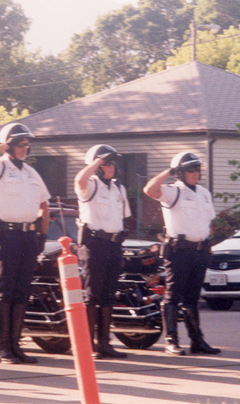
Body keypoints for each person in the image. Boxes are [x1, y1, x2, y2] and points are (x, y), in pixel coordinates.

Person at [0, 123, 50, 364]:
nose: (25, 148)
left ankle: (16, 345)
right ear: (10, 144)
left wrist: (42, 235)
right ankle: (3, 347)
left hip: (28, 237)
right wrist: (5, 144)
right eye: (20, 144)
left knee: (22, 292)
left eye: (27, 144)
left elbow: (44, 204)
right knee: (5, 291)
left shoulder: (30, 172)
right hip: (6, 236)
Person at [143, 151, 221, 356]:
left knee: (192, 298)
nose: (195, 173)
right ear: (180, 172)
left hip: (200, 251)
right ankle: (171, 341)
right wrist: (169, 171)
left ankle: (197, 341)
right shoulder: (173, 191)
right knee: (173, 296)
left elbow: (208, 221)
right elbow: (149, 189)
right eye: (190, 169)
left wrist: (208, 244)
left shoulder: (204, 193)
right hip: (179, 251)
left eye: (197, 169)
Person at [75, 145, 131, 359]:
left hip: (114, 244)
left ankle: (104, 342)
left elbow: (123, 217)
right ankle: (88, 343)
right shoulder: (90, 184)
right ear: (97, 166)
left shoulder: (118, 188)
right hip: (94, 244)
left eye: (112, 162)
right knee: (93, 294)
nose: (111, 166)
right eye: (107, 163)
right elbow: (79, 180)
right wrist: (98, 161)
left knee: (109, 294)